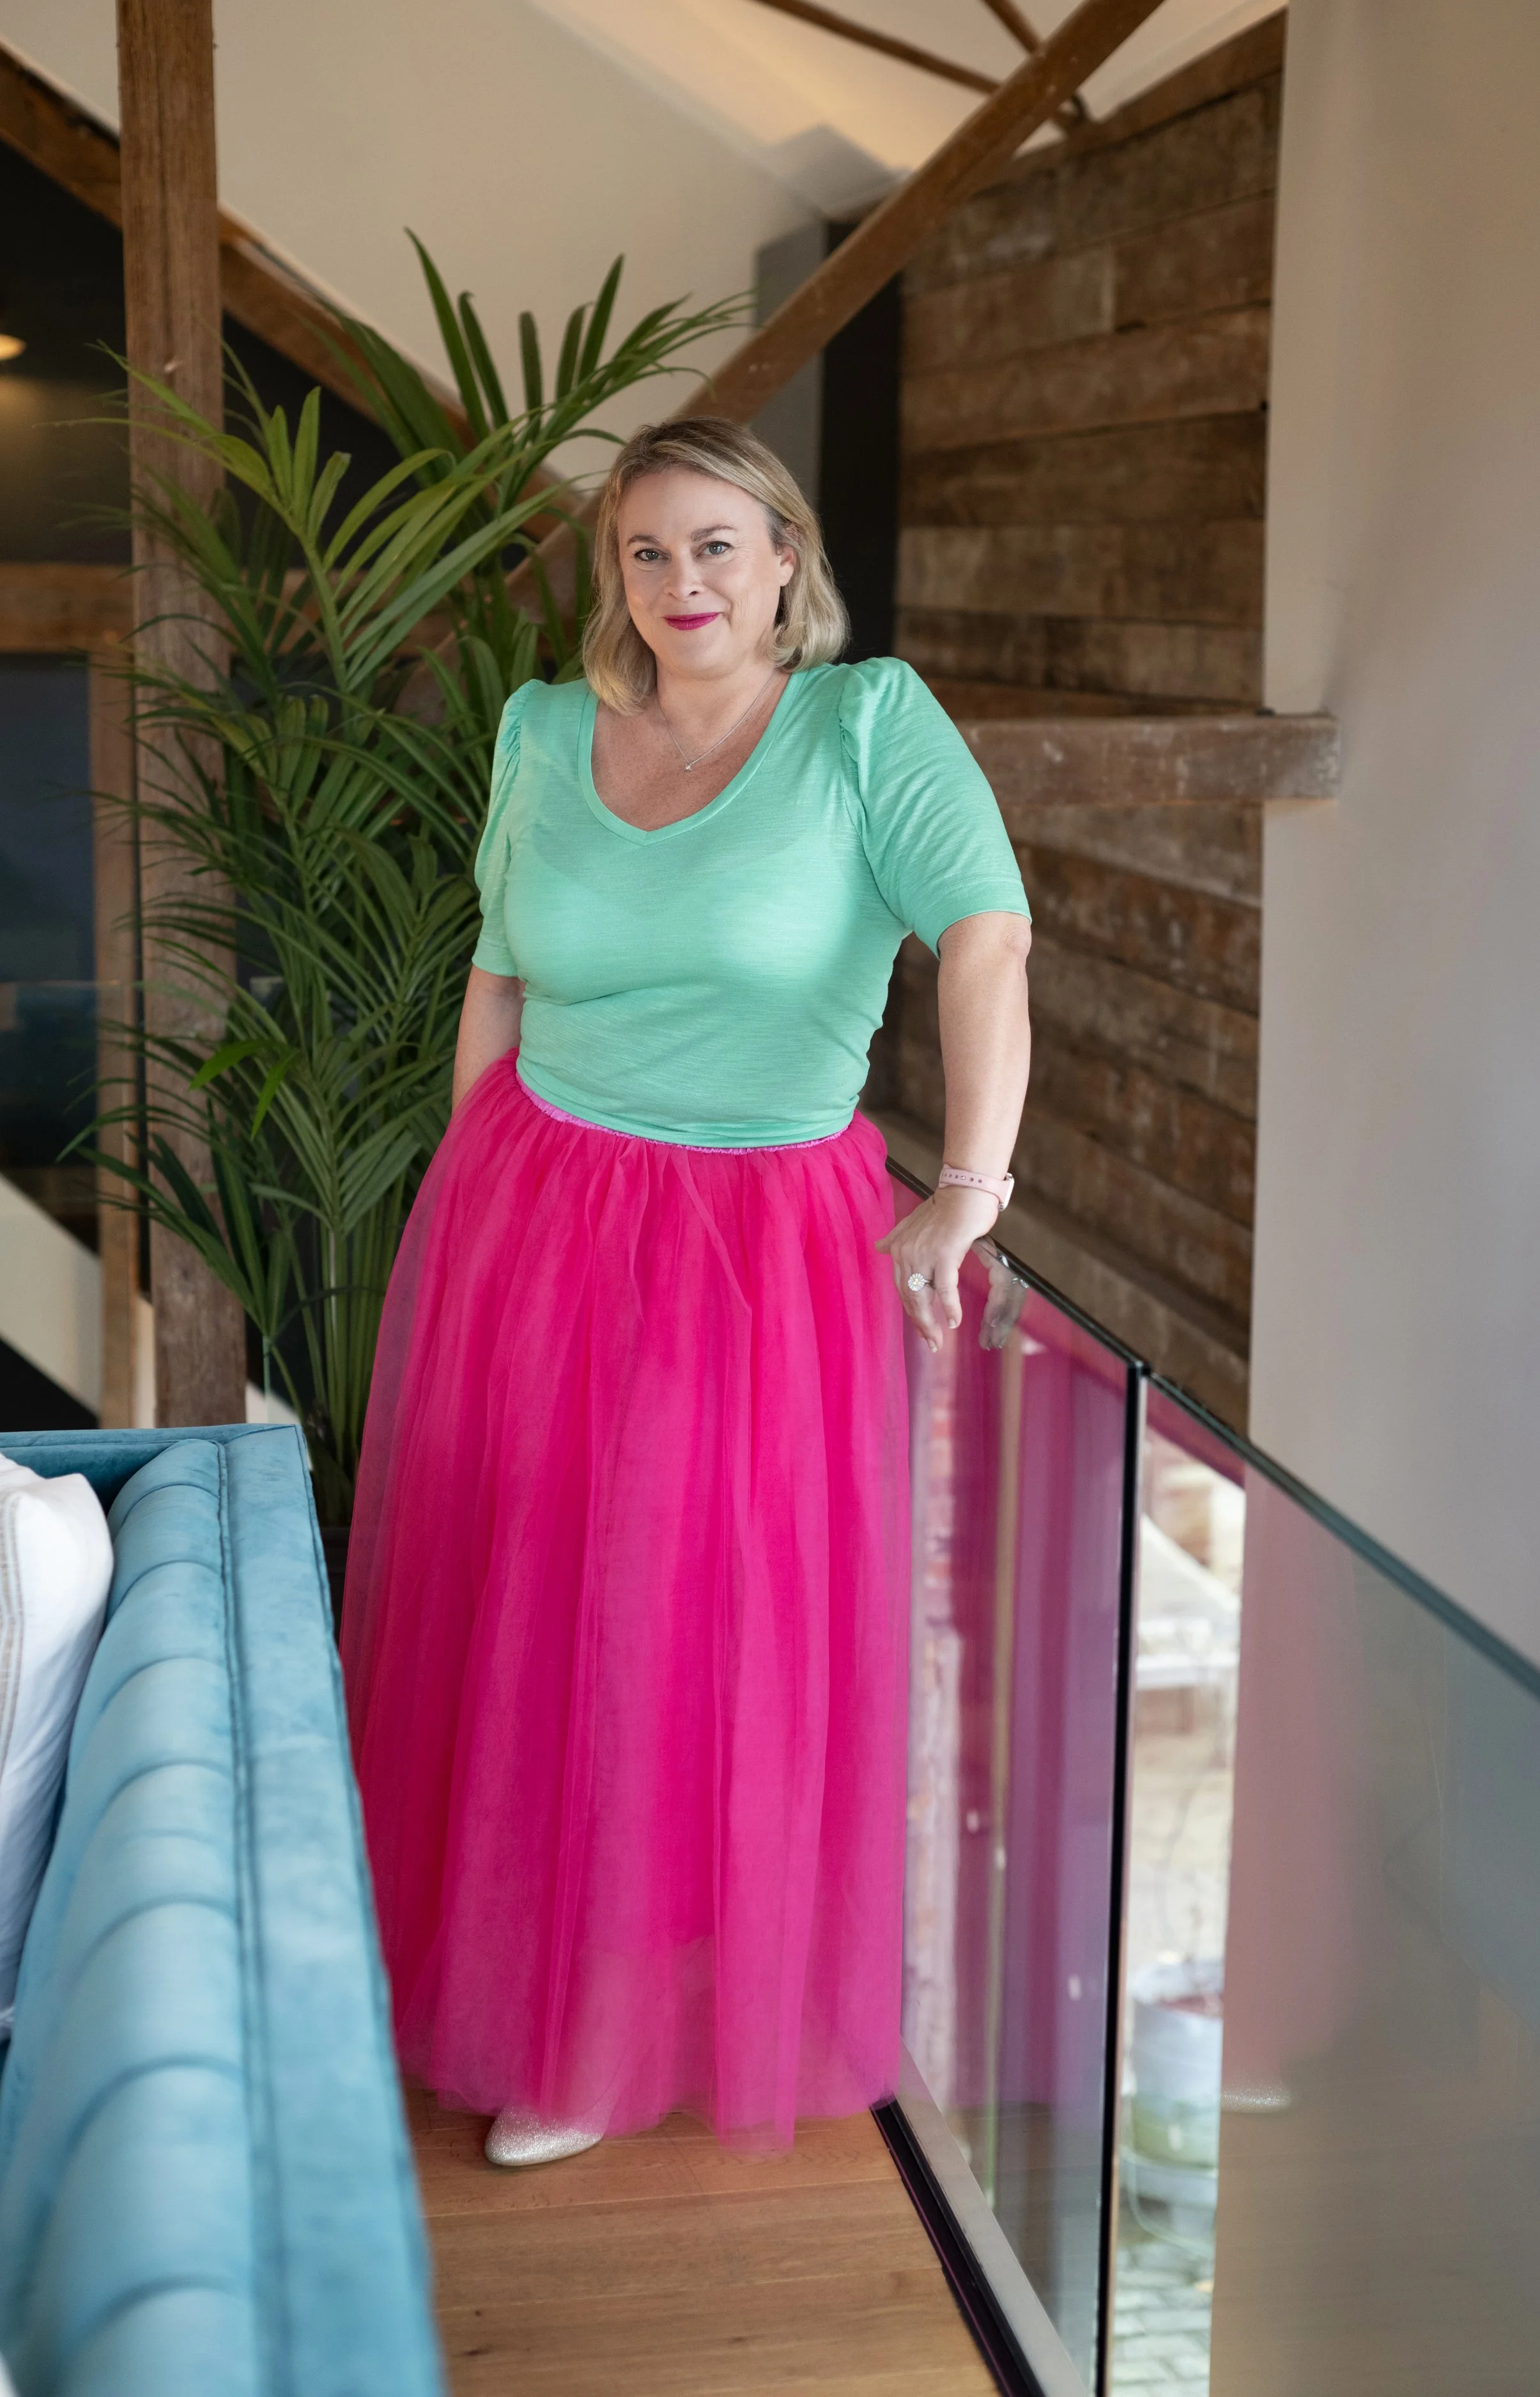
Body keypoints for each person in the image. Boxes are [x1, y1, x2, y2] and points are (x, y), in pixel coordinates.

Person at [340, 417, 1031, 2165]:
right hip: (531, 1204)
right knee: (528, 1599)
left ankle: (602, 2028)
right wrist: (472, 1183)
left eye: (717, 545)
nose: (682, 585)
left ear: (784, 557)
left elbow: (985, 941)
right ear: (613, 580)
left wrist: (965, 1188)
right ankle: (528, 1974)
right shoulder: (541, 728)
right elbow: (494, 982)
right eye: (646, 553)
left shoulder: (867, 726)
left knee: (664, 1612)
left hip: (758, 1240)